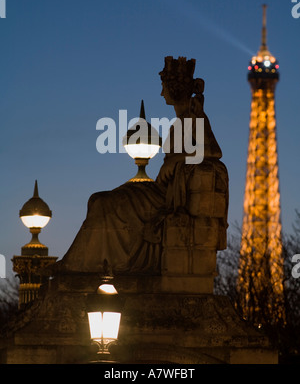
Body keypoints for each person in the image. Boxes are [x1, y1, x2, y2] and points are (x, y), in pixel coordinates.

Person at [57, 56, 226, 276]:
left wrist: (177, 160)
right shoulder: (181, 121)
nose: (161, 93)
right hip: (159, 191)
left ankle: (79, 266)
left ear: (173, 89)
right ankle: (81, 263)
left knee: (103, 203)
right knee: (97, 200)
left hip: (165, 198)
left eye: (164, 88)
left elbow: (214, 151)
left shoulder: (194, 117)